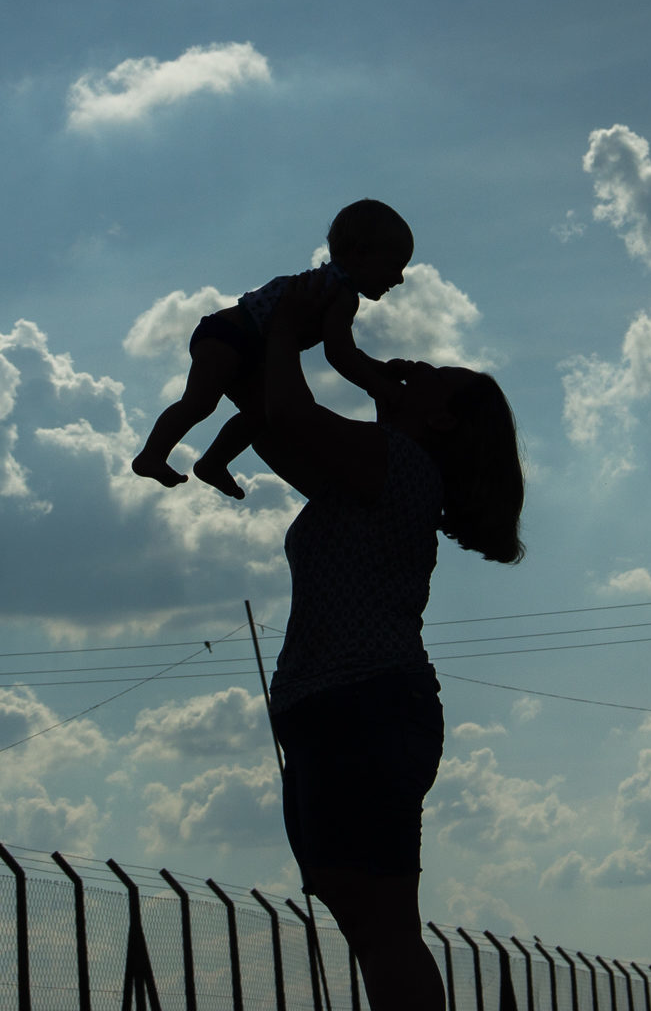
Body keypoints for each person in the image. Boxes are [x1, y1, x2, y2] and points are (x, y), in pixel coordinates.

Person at [248, 267, 525, 1011]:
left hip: (360, 705)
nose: (413, 368)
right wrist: (295, 348)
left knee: (383, 929)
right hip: (339, 709)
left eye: (431, 377)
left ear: (441, 421)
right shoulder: (372, 469)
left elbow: (289, 411)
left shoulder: (395, 462)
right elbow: (275, 425)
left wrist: (285, 324)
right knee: (371, 926)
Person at [131, 199, 416, 498]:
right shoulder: (341, 296)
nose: (399, 278)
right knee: (200, 402)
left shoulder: (335, 288)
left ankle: (213, 462)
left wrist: (380, 371)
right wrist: (382, 388)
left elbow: (346, 351)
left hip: (248, 350)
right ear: (361, 254)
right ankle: (151, 455)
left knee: (260, 413)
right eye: (394, 266)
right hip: (226, 336)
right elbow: (339, 355)